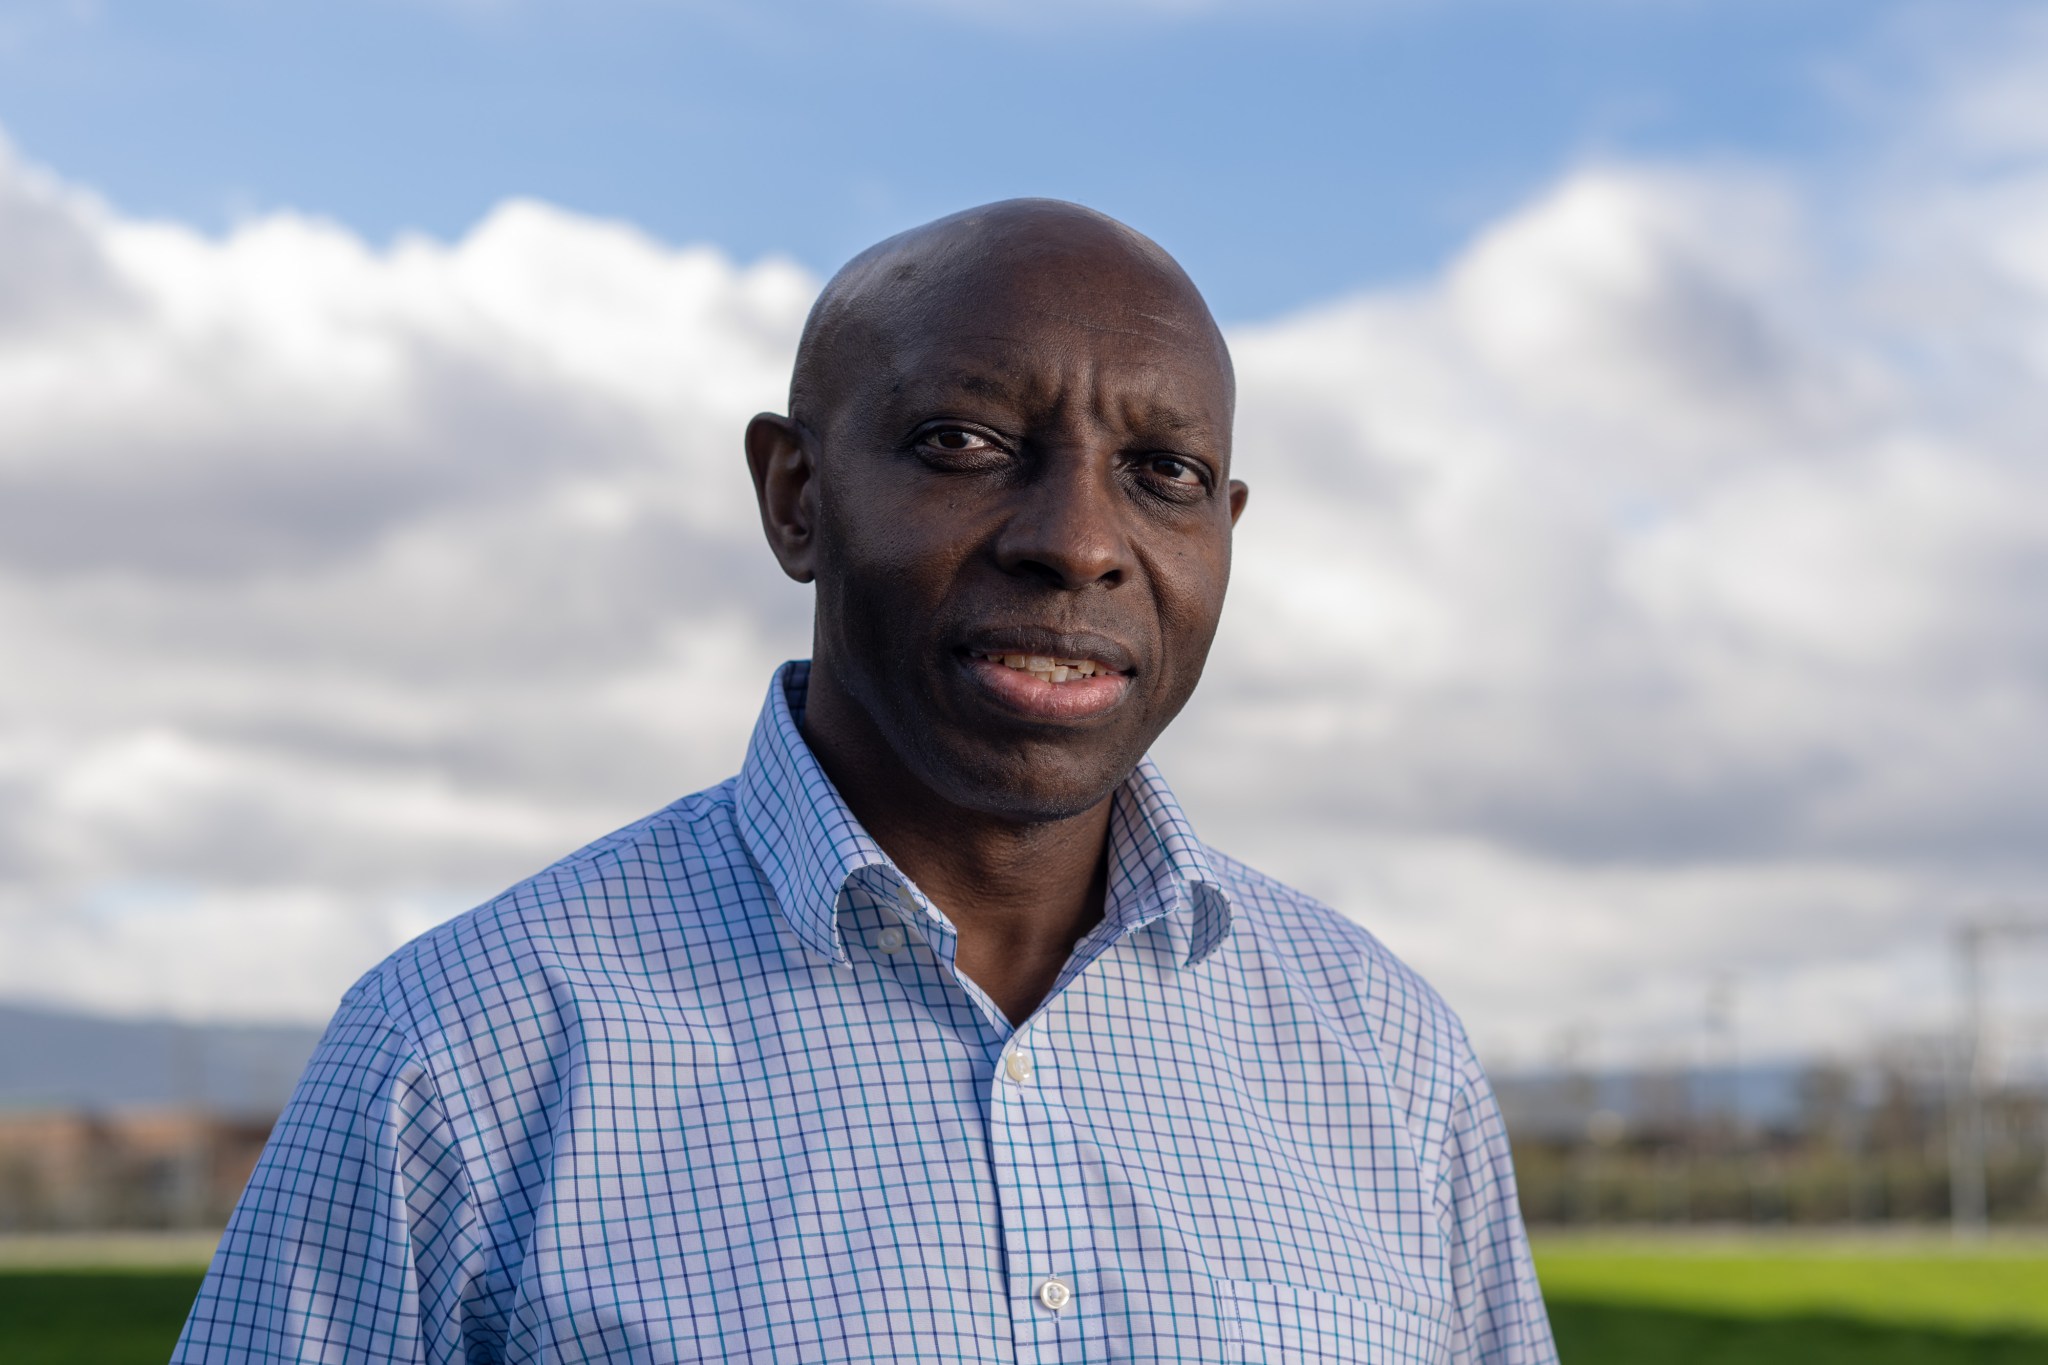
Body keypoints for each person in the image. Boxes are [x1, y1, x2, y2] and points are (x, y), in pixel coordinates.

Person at [174, 199, 1557, 1363]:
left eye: (1162, 471)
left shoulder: (1388, 1056)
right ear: (795, 494)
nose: (1079, 541)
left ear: (1226, 532)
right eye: (966, 443)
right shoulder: (465, 1053)